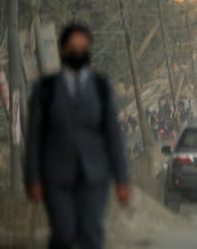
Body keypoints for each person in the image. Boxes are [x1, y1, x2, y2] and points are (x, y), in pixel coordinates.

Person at [24, 23, 130, 249]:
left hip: (94, 176)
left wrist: (122, 179)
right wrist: (32, 178)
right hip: (56, 177)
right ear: (62, 50)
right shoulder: (46, 89)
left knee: (92, 234)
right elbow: (34, 137)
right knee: (63, 233)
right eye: (72, 47)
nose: (78, 52)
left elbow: (113, 135)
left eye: (83, 47)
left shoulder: (100, 87)